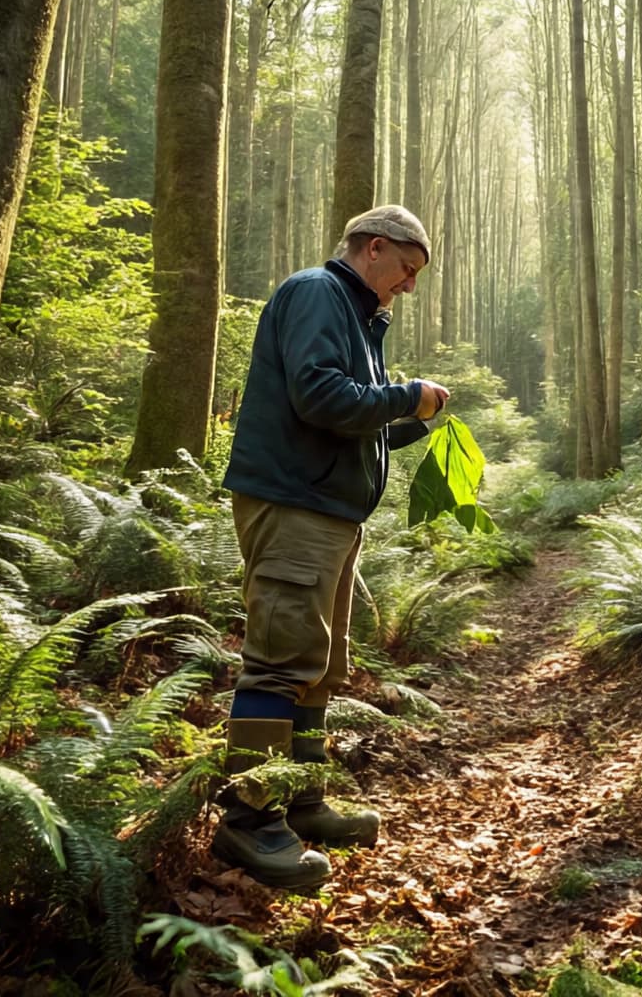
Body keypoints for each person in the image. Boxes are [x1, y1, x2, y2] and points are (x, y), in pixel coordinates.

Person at [212, 205, 450, 892]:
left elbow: (343, 413)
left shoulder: (357, 317)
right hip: (294, 505)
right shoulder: (317, 292)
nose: (407, 288)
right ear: (374, 248)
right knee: (281, 664)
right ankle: (249, 820)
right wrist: (407, 398)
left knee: (319, 670)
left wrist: (412, 422)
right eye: (406, 271)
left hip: (328, 510)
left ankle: (303, 800)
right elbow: (319, 395)